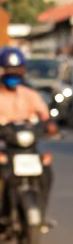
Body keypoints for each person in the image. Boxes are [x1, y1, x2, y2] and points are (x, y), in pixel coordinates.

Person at [0, 47, 56, 217]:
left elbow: (44, 114)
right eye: (9, 70)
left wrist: (50, 124)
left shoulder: (29, 93)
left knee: (46, 171)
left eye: (16, 70)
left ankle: (41, 212)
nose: (13, 73)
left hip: (27, 146)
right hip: (4, 146)